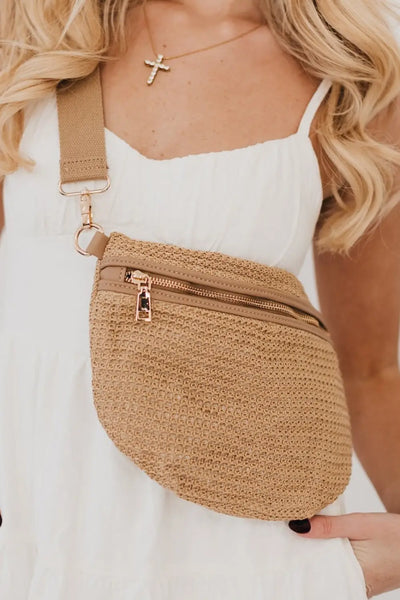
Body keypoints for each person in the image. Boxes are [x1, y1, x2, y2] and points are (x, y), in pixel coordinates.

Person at [0, 0, 400, 598]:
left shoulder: (354, 77)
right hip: (36, 527)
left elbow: (369, 369)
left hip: (245, 562)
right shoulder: (35, 28)